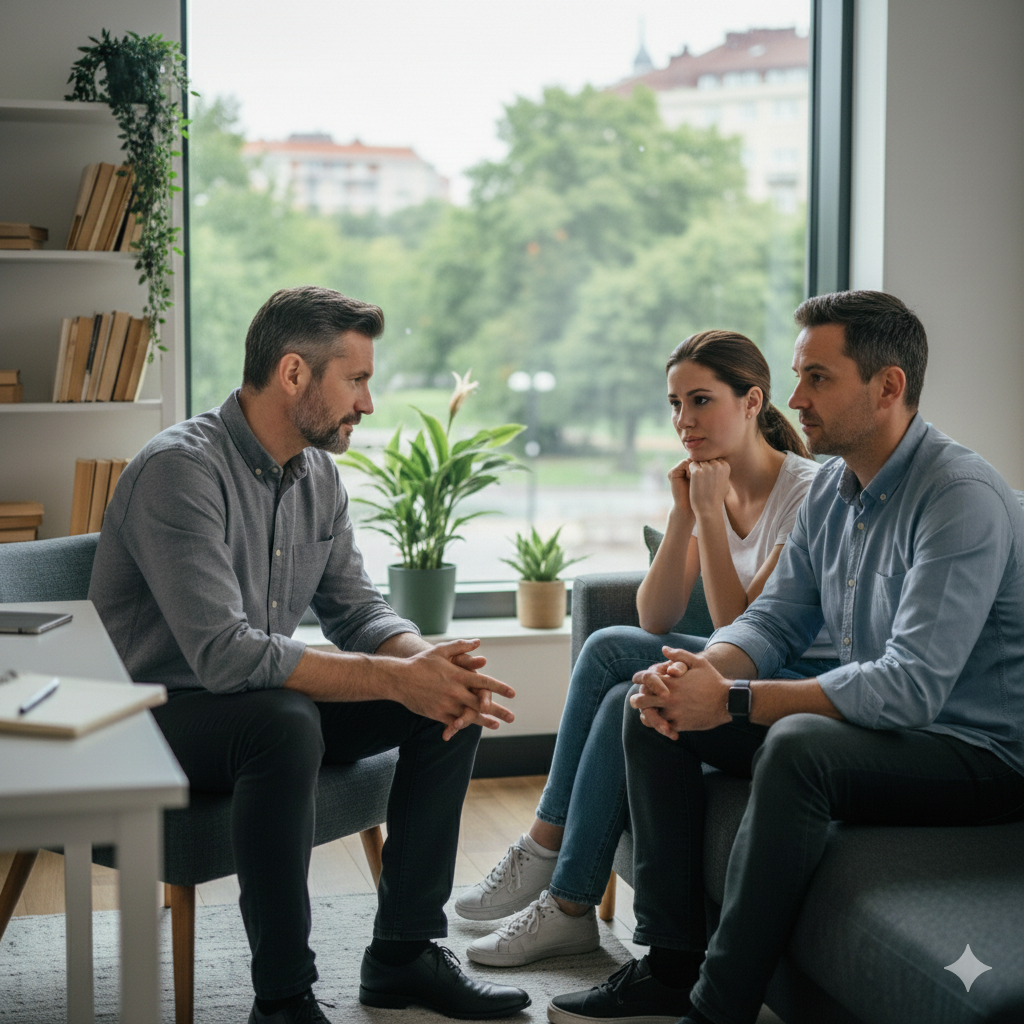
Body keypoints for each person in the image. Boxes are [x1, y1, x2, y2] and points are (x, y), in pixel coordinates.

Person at [548, 290, 1024, 1024]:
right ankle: (672, 963)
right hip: (887, 730)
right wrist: (705, 672)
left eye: (818, 379)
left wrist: (735, 701)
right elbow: (775, 620)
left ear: (888, 387)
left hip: (974, 753)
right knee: (650, 707)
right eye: (799, 377)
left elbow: (913, 688)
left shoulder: (958, 497)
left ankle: (719, 1006)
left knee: (801, 747)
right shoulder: (835, 488)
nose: (794, 398)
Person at [88, 286, 532, 1024]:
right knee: (284, 721)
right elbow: (225, 658)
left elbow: (358, 611)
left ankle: (403, 957)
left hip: (254, 703)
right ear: (294, 374)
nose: (368, 402)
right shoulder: (180, 471)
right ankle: (284, 997)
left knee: (444, 706)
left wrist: (432, 669)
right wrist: (398, 676)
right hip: (147, 719)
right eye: (355, 379)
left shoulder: (316, 476)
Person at [456, 331, 837, 969]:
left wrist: (710, 517)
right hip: (737, 659)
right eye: (673, 404)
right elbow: (655, 614)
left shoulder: (808, 493)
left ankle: (552, 868)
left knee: (617, 674)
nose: (683, 421)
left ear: (751, 402)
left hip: (790, 678)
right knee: (614, 661)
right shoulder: (707, 484)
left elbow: (740, 633)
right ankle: (555, 874)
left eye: (700, 401)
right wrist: (685, 513)